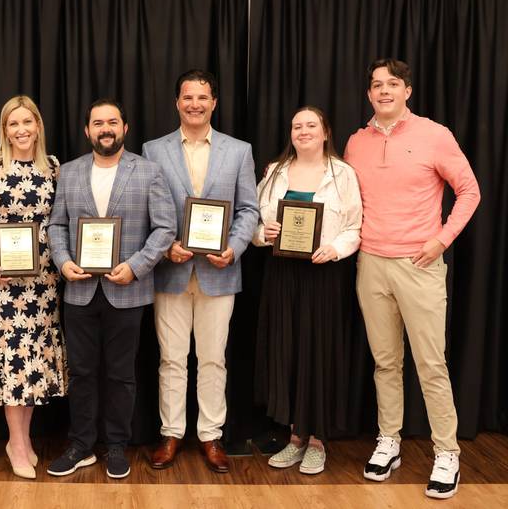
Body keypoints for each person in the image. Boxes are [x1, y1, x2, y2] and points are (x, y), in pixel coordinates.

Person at [345, 58, 480, 499]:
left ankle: (447, 452)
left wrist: (441, 240)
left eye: (393, 84)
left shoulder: (434, 135)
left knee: (430, 363)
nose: (384, 91)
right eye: (376, 85)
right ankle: (390, 441)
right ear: (369, 94)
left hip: (419, 266)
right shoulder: (355, 142)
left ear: (407, 91)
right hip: (371, 264)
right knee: (386, 362)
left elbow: (469, 190)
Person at [46, 99, 176, 479]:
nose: (106, 128)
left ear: (125, 128)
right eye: (98, 123)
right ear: (87, 130)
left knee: (121, 374)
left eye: (113, 122)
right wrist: (62, 259)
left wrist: (135, 268)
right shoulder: (69, 172)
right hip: (80, 290)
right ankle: (81, 444)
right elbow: (57, 226)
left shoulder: (148, 171)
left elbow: (165, 228)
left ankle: (117, 446)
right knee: (82, 372)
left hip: (127, 290)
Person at [142, 70, 258, 473]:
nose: (195, 104)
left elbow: (248, 209)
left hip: (219, 271)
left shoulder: (239, 151)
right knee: (171, 360)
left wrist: (236, 247)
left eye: (202, 98)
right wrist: (163, 248)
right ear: (177, 102)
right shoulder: (152, 150)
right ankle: (171, 433)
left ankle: (211, 436)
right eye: (188, 97)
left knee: (213, 359)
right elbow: (147, 209)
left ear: (214, 103)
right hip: (170, 272)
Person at [252, 106, 362, 475]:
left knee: (319, 353)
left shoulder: (343, 174)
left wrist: (335, 249)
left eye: (311, 125)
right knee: (289, 351)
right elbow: (253, 219)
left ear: (326, 132)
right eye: (296, 125)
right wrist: (261, 234)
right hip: (283, 274)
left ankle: (317, 441)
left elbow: (354, 226)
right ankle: (295, 437)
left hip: (323, 274)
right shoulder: (274, 173)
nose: (303, 131)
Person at [0, 95, 67, 479]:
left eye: (27, 122)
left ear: (38, 126)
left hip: (45, 278)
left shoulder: (54, 167)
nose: (21, 130)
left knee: (35, 357)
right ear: (5, 129)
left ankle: (22, 440)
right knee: (14, 354)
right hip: (4, 278)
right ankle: (16, 441)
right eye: (14, 124)